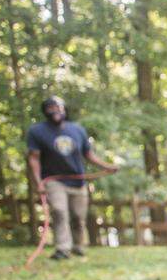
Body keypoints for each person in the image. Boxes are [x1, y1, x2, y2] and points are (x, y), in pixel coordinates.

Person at [26, 96, 117, 260]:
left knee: (78, 217)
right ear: (45, 111)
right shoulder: (37, 131)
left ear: (64, 109)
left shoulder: (77, 130)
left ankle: (78, 246)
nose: (56, 111)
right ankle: (62, 248)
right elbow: (34, 158)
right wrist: (38, 182)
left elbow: (89, 154)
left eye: (59, 107)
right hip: (53, 180)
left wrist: (106, 167)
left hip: (77, 181)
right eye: (51, 108)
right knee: (60, 212)